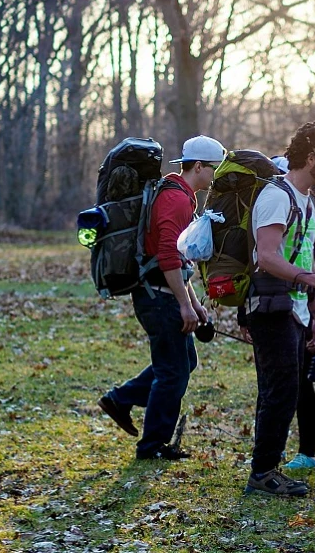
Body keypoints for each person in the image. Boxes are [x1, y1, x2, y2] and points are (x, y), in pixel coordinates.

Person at [98, 135, 225, 460]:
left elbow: (181, 263)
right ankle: (151, 445)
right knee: (172, 373)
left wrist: (196, 306)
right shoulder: (176, 200)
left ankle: (121, 399)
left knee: (184, 363)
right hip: (158, 297)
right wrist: (184, 305)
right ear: (199, 166)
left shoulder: (177, 194)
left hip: (164, 292)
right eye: (214, 169)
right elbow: (168, 256)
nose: (215, 177)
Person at [242, 122, 315, 497]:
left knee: (285, 389)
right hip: (270, 306)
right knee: (279, 391)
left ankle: (265, 468)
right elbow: (266, 257)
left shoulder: (307, 201)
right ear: (312, 157)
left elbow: (305, 256)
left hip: (296, 309)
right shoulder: (276, 196)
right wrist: (311, 281)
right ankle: (263, 472)